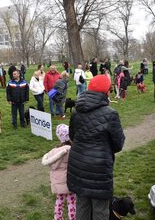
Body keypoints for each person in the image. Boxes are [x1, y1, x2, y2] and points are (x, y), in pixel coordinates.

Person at [67, 74, 125, 220]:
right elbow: (118, 144)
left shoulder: (76, 111)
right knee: (100, 209)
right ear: (106, 91)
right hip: (99, 168)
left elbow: (72, 136)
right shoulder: (110, 114)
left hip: (78, 165)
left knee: (82, 205)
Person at [42, 124, 76, 220]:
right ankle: (72, 218)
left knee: (59, 200)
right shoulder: (70, 151)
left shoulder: (53, 151)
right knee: (72, 201)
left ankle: (57, 218)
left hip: (57, 182)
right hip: (69, 182)